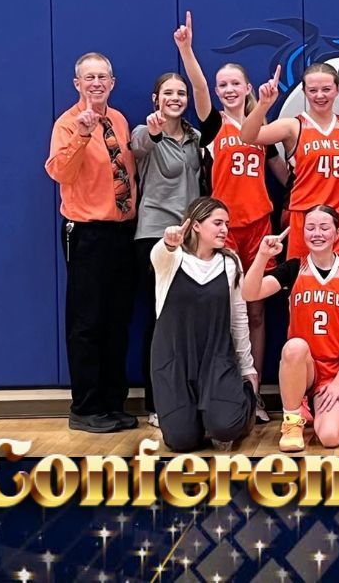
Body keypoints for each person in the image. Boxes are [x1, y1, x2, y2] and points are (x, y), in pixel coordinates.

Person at [174, 11, 288, 424]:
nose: (226, 90)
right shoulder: (211, 124)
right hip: (220, 230)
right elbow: (199, 85)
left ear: (247, 88)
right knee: (223, 311)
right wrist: (186, 49)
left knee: (256, 311)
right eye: (223, 85)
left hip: (259, 224)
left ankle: (254, 394)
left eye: (234, 84)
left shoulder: (262, 128)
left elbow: (285, 175)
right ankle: (221, 391)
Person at [45, 52, 138, 433]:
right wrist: (83, 135)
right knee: (87, 323)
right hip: (87, 233)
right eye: (89, 77)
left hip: (122, 232)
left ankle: (112, 402)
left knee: (117, 321)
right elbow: (59, 172)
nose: (97, 83)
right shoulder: (67, 124)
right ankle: (85, 407)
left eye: (103, 77)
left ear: (112, 83)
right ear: (77, 84)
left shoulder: (118, 119)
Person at [242, 205, 339, 453]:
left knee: (330, 437)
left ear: (338, 232)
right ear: (302, 231)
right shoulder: (293, 268)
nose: (316, 233)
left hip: (333, 373)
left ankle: (317, 406)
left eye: (324, 227)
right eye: (310, 227)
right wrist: (262, 256)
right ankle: (292, 421)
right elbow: (249, 292)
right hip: (303, 368)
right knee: (295, 346)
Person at [150, 197, 257, 451]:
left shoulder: (229, 263)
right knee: (181, 441)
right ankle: (193, 417)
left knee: (226, 428)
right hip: (174, 359)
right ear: (196, 225)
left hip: (217, 359)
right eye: (217, 223)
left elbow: (239, 319)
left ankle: (240, 405)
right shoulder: (172, 259)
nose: (224, 230)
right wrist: (168, 241)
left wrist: (248, 369)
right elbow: (159, 253)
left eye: (227, 224)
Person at [131, 72, 202, 429]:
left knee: (187, 322)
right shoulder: (145, 132)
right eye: (168, 93)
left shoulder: (195, 138)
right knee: (160, 322)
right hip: (156, 237)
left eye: (181, 92)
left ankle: (185, 396)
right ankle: (156, 402)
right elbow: (140, 146)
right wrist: (155, 129)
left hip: (190, 239)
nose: (175, 98)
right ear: (155, 98)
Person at [240, 64, 339, 261]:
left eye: (326, 89)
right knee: (302, 282)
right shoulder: (293, 126)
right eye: (313, 90)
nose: (320, 95)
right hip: (304, 217)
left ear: (338, 89)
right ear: (304, 92)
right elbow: (247, 136)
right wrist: (263, 104)